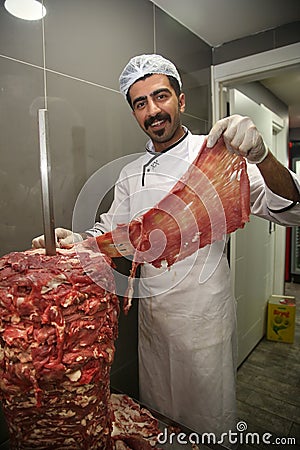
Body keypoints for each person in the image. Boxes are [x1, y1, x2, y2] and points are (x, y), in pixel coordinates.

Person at [32, 54, 300, 439]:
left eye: (160, 96)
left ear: (181, 100)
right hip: (154, 323)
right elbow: (113, 232)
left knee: (208, 427)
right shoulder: (129, 173)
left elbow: (293, 210)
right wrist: (76, 241)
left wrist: (262, 156)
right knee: (160, 423)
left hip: (204, 318)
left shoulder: (217, 156)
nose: (153, 110)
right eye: (140, 103)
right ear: (134, 112)